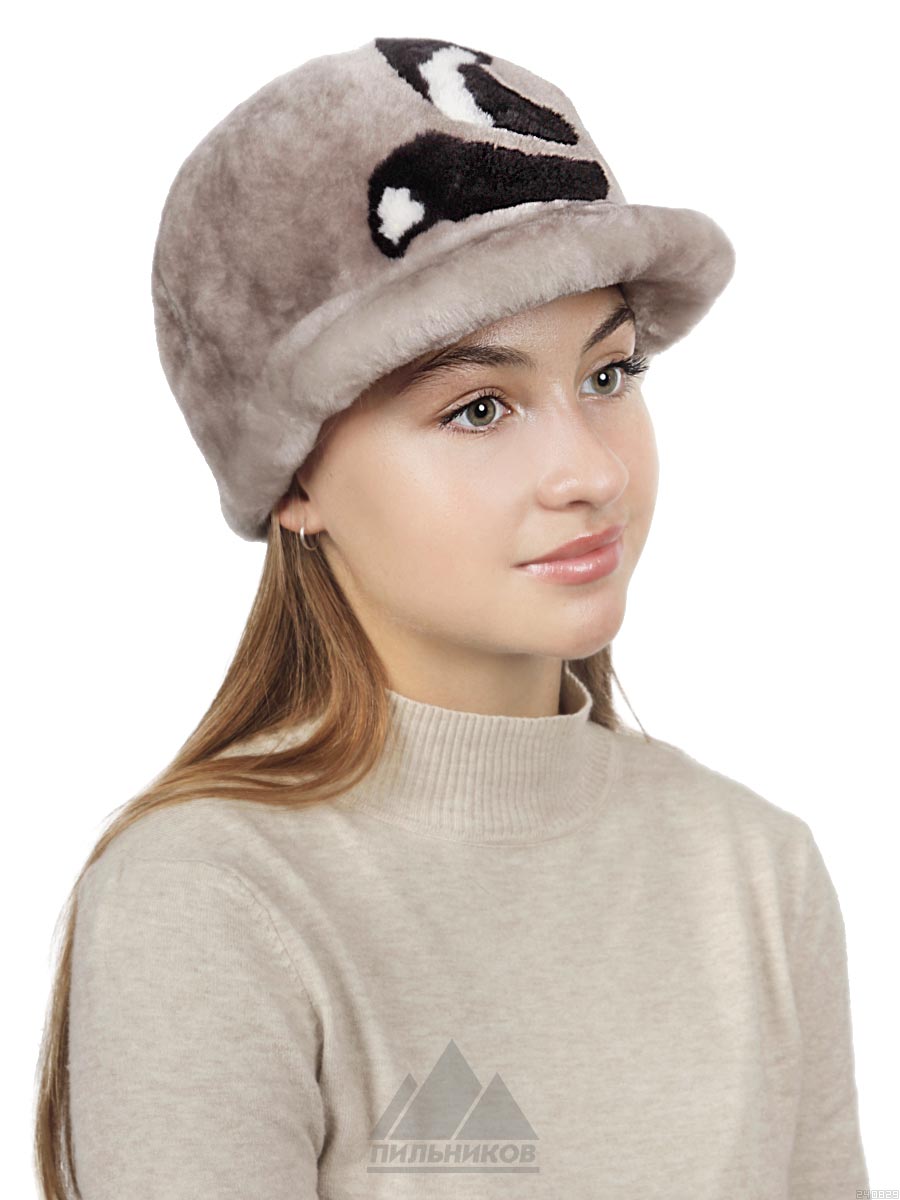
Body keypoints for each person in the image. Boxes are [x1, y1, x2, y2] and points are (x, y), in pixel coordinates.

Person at [33, 36, 868, 1199]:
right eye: (479, 408)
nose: (591, 473)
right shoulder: (211, 901)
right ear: (294, 479)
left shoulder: (758, 873)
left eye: (608, 376)